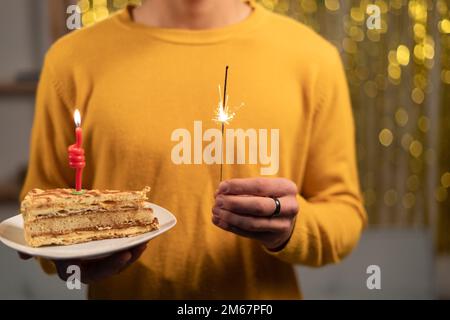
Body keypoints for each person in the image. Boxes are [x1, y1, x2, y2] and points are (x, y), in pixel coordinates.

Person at [20, 0, 367, 299]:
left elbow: (343, 214)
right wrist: (67, 255)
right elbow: (39, 218)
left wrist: (292, 228)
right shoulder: (70, 61)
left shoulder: (313, 60)